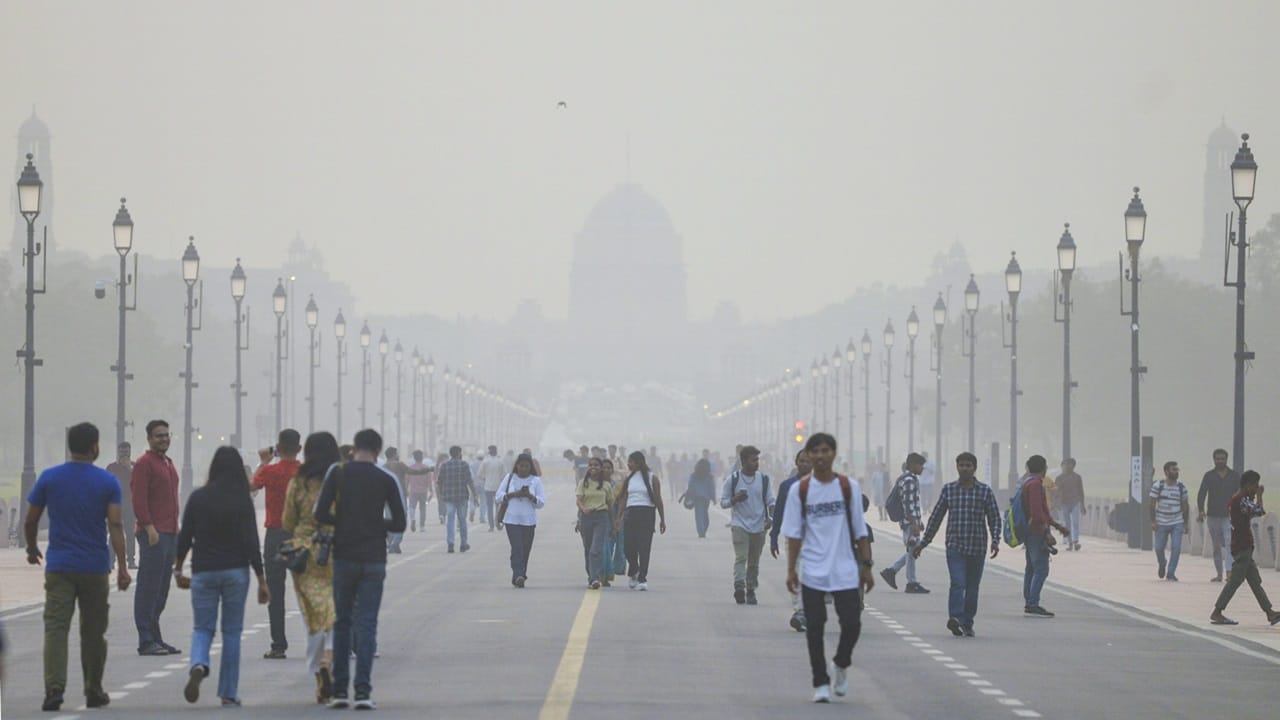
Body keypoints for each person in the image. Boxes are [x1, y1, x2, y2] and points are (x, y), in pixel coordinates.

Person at [24, 422, 131, 712]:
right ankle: (93, 689)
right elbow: (116, 524)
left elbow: (31, 519)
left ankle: (54, 689)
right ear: (94, 447)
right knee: (93, 630)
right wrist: (122, 566)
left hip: (59, 565)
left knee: (56, 628)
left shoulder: (49, 478)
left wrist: (32, 548)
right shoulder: (107, 482)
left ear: (70, 446)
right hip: (95, 566)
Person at [314, 428, 407, 710]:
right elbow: (399, 523)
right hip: (373, 559)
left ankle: (341, 690)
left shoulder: (337, 473)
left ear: (354, 448)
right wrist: (375, 524)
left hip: (343, 557)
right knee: (366, 624)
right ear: (378, 451)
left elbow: (320, 513)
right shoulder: (386, 478)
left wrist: (342, 521)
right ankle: (363, 692)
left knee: (342, 623)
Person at [781, 433, 874, 704]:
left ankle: (841, 663)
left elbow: (860, 530)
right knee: (815, 628)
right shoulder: (800, 491)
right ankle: (820, 682)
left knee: (852, 624)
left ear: (833, 454)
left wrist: (866, 567)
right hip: (812, 569)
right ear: (808, 456)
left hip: (845, 569)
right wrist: (791, 570)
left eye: (825, 451)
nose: (820, 456)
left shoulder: (848, 487)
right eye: (815, 452)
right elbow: (794, 535)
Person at [175, 446, 269, 708]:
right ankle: (228, 692)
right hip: (236, 572)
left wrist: (178, 568)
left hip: (203, 571)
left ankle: (198, 663)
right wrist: (261, 579)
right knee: (231, 633)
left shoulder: (198, 498)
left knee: (202, 628)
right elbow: (252, 542)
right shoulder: (242, 501)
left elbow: (185, 538)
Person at [912, 452, 1001, 637]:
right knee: (958, 583)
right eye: (961, 465)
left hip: (977, 546)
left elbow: (994, 518)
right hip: (955, 545)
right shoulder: (949, 490)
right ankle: (955, 618)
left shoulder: (984, 491)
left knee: (972, 587)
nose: (965, 468)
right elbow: (936, 517)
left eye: (968, 465)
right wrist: (923, 542)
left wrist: (995, 540)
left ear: (974, 468)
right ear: (957, 467)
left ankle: (967, 622)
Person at [282, 432, 340, 704]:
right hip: (337, 549)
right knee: (337, 609)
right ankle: (330, 655)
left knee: (313, 611)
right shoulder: (341, 480)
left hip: (305, 554)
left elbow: (287, 521)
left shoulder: (299, 482)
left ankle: (318, 670)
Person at [131, 419, 182, 656]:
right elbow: (139, 500)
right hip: (153, 533)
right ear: (149, 439)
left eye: (166, 435)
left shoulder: (168, 463)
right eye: (158, 436)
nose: (163, 439)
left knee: (162, 588)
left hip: (170, 532)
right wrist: (149, 527)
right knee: (148, 586)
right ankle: (145, 638)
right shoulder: (144, 464)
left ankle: (156, 636)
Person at [251, 429, 301, 660]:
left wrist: (263, 461)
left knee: (276, 592)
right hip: (301, 535)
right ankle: (320, 639)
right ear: (299, 449)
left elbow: (251, 486)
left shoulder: (270, 471)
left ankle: (278, 644)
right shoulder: (305, 473)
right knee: (309, 590)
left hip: (275, 535)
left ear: (278, 449)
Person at [1209, 471, 1280, 627]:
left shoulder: (1238, 499)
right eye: (1255, 486)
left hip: (1242, 545)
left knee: (1255, 581)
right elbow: (1259, 511)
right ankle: (1217, 611)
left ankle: (1270, 612)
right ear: (1248, 485)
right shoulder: (1241, 500)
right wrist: (1260, 496)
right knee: (1235, 580)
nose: (1256, 488)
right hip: (1242, 546)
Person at [720, 445, 774, 605]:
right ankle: (739, 586)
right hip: (739, 525)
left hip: (759, 526)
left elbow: (770, 500)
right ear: (743, 461)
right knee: (741, 557)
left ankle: (751, 589)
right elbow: (723, 502)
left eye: (758, 459)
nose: (757, 463)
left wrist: (771, 516)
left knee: (754, 561)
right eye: (753, 460)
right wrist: (735, 499)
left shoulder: (764, 480)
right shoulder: (733, 479)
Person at [1020, 455, 1071, 617]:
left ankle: (1029, 600)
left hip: (1030, 531)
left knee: (1031, 567)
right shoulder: (1035, 485)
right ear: (1044, 469)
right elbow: (1037, 512)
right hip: (1036, 531)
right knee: (1041, 568)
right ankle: (1033, 602)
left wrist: (1057, 526)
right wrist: (1047, 531)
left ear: (1028, 467)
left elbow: (1041, 511)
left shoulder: (1027, 483)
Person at [771, 449, 813, 632]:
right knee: (796, 572)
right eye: (801, 461)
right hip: (794, 537)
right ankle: (800, 610)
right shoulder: (787, 486)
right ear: (796, 463)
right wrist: (774, 536)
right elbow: (779, 512)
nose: (804, 464)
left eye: (807, 461)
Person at [614, 451, 667, 591]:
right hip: (630, 513)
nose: (628, 464)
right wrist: (618, 518)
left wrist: (662, 519)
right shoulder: (628, 478)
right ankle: (634, 570)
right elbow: (623, 499)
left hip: (647, 514)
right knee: (628, 547)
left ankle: (642, 578)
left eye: (630, 461)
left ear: (638, 462)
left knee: (644, 548)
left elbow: (658, 499)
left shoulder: (652, 478)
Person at [495, 453, 547, 588]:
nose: (523, 469)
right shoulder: (509, 478)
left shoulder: (535, 480)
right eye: (521, 466)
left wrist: (529, 496)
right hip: (511, 520)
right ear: (516, 466)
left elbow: (541, 503)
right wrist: (513, 494)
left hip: (529, 521)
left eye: (526, 466)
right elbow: (498, 496)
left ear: (530, 467)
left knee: (525, 549)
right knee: (516, 547)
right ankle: (518, 574)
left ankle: (521, 574)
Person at [882, 453, 930, 594]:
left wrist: (918, 521)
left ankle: (892, 571)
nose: (922, 469)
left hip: (910, 521)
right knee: (913, 550)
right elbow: (908, 503)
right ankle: (911, 582)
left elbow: (912, 503)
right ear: (913, 464)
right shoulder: (909, 480)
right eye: (921, 465)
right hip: (909, 522)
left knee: (912, 549)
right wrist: (914, 523)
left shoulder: (907, 478)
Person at [1198, 449, 1239, 582]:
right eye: (1217, 459)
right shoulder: (1209, 476)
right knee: (1216, 546)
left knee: (1228, 543)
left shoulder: (1234, 476)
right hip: (1213, 515)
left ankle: (1229, 572)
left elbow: (1240, 494)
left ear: (1226, 459)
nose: (1220, 461)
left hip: (1229, 515)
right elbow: (1202, 493)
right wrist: (1201, 510)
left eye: (1222, 458)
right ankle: (1219, 574)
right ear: (1214, 460)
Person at [577, 458, 616, 589]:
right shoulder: (583, 483)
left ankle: (595, 578)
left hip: (601, 518)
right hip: (586, 518)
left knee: (596, 549)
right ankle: (591, 576)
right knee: (588, 549)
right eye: (591, 465)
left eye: (596, 465)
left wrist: (613, 525)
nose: (593, 467)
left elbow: (610, 506)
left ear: (600, 468)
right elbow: (579, 501)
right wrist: (583, 511)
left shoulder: (606, 485)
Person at [1149, 461, 1190, 581]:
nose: (1176, 472)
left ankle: (1171, 572)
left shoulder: (1181, 488)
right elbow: (1151, 504)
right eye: (1174, 470)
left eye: (1177, 470)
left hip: (1177, 521)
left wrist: (1186, 523)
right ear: (1166, 472)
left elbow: (1185, 506)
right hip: (1161, 521)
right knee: (1158, 548)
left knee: (1176, 547)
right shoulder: (1158, 486)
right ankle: (1162, 563)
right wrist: (1153, 521)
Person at [436, 446, 476, 553]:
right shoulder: (464, 464)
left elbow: (439, 481)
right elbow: (470, 481)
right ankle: (463, 543)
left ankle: (450, 543)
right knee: (462, 520)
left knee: (450, 519)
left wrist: (441, 494)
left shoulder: (444, 465)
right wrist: (475, 495)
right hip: (462, 496)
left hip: (449, 496)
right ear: (459, 453)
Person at [105, 441, 137, 569]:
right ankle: (111, 560)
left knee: (130, 533)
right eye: (122, 451)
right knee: (114, 533)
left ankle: (131, 560)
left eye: (127, 452)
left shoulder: (134, 467)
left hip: (130, 504)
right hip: (115, 504)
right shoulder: (111, 467)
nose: (125, 454)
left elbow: (138, 483)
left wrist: (130, 469)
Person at [600, 458, 626, 586]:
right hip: (598, 519)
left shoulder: (617, 486)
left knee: (610, 547)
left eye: (609, 468)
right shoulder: (594, 485)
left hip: (613, 518)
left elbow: (621, 503)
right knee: (601, 548)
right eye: (604, 467)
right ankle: (600, 574)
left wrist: (619, 519)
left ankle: (606, 573)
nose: (606, 470)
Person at [382, 448, 409, 554]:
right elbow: (413, 472)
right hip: (399, 495)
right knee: (401, 518)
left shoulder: (383, 467)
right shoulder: (400, 464)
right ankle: (395, 543)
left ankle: (391, 542)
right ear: (394, 454)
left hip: (387, 496)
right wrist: (428, 469)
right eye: (397, 453)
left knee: (389, 518)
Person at [1055, 459, 1085, 551]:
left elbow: (1081, 491)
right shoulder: (1059, 478)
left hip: (1075, 502)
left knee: (1075, 522)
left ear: (1073, 466)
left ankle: (1075, 541)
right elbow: (1056, 492)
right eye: (1064, 465)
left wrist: (1082, 504)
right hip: (1064, 503)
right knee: (1067, 524)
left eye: (1069, 465)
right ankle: (1070, 542)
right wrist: (1056, 503)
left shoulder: (1077, 477)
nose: (1067, 467)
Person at [683, 458, 717, 538]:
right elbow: (712, 488)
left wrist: (689, 495)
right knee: (705, 515)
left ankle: (701, 532)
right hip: (706, 498)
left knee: (699, 516)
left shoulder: (694, 475)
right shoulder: (709, 477)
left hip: (697, 498)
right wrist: (713, 498)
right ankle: (702, 531)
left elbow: (690, 486)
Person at [478, 445, 506, 532]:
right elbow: (503, 475)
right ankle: (497, 522)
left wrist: (485, 478)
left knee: (489, 507)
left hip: (488, 487)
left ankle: (491, 526)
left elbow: (480, 475)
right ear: (496, 451)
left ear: (489, 452)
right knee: (498, 506)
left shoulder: (485, 462)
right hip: (498, 487)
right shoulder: (500, 462)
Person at [405, 450, 435, 533]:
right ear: (422, 458)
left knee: (412, 506)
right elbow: (429, 481)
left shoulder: (410, 468)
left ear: (414, 458)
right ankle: (422, 526)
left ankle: (413, 518)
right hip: (423, 492)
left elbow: (407, 480)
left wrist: (406, 489)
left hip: (413, 491)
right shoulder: (426, 468)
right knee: (423, 508)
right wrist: (431, 491)